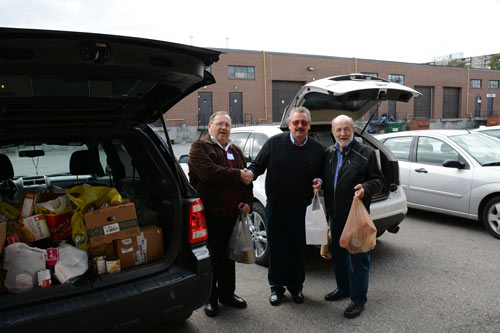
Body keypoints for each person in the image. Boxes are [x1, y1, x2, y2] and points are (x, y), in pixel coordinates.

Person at [247, 106, 325, 306]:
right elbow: (257, 165)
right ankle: (276, 288)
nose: (299, 126)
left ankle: (296, 287)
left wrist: (320, 181)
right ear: (289, 125)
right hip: (276, 208)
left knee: (298, 250)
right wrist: (249, 174)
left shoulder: (317, 149)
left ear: (309, 126)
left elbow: (322, 173)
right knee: (278, 249)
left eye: (303, 123)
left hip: (300, 209)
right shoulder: (274, 143)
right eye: (296, 122)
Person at [188, 111, 254, 317]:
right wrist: (238, 174)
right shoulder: (199, 147)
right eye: (220, 124)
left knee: (228, 256)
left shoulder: (235, 150)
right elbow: (208, 173)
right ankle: (211, 298)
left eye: (227, 124)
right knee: (212, 257)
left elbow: (246, 181)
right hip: (209, 214)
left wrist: (247, 201)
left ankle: (227, 294)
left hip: (231, 214)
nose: (224, 128)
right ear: (210, 126)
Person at [320, 114, 384, 319]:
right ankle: (343, 288)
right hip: (335, 214)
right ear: (332, 132)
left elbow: (378, 180)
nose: (342, 133)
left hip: (356, 216)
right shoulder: (329, 153)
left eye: (346, 129)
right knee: (339, 255)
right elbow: (327, 179)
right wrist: (319, 183)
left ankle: (358, 300)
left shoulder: (366, 153)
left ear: (353, 130)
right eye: (338, 129)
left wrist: (366, 188)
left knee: (358, 258)